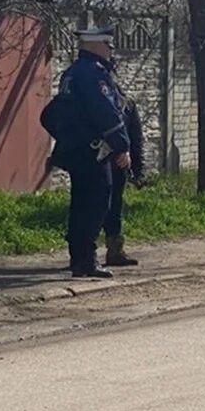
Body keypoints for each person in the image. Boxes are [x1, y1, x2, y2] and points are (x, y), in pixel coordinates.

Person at [50, 27, 132, 279]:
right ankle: (86, 260)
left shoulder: (73, 73)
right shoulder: (93, 75)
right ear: (95, 46)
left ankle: (80, 258)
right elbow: (105, 113)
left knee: (80, 204)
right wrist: (122, 146)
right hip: (93, 151)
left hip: (76, 150)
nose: (111, 50)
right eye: (108, 45)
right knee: (96, 203)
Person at [102, 56, 145, 267]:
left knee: (115, 208)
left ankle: (115, 250)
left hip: (119, 165)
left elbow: (135, 138)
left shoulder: (126, 104)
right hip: (96, 164)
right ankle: (84, 253)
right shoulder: (94, 103)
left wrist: (138, 169)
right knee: (92, 208)